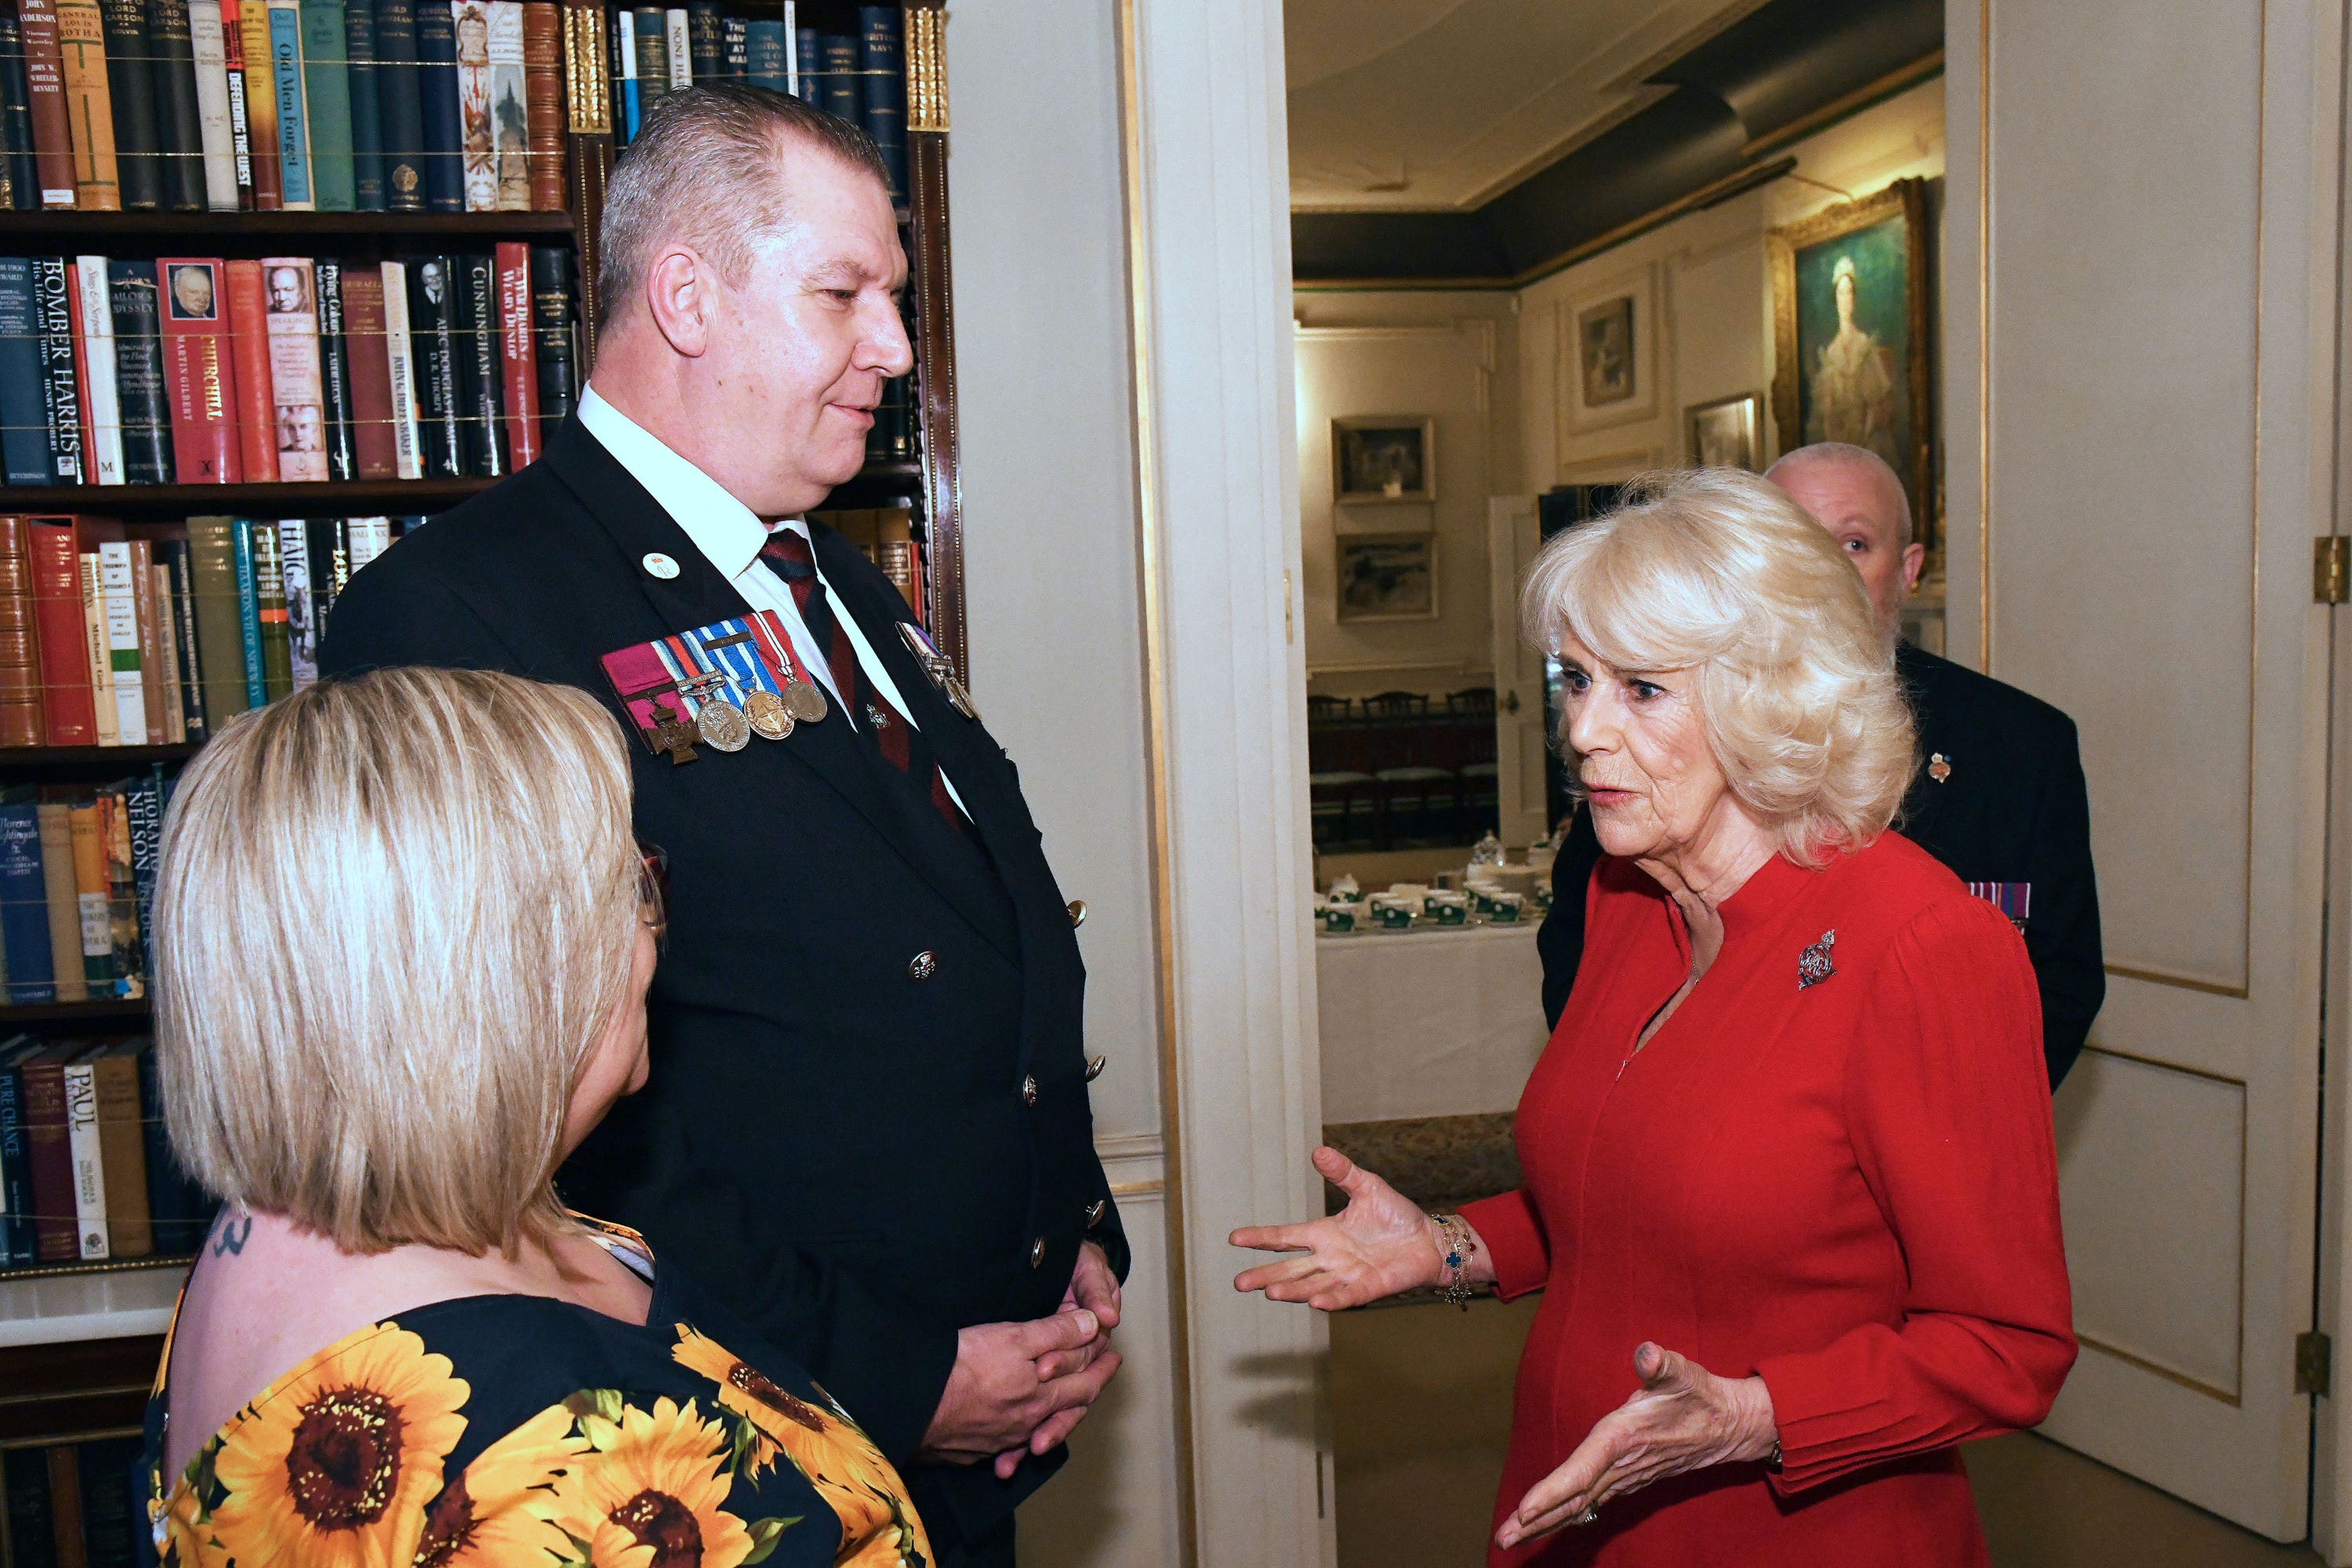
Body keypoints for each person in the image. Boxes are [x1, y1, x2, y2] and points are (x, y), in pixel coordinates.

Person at [318, 84, 1125, 1568]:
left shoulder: (835, 582)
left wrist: (1065, 1232)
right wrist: (896, 1370)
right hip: (732, 1450)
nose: (892, 346)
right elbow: (539, 1114)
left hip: (968, 1421)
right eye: (846, 295)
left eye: (893, 298)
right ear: (685, 296)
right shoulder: (464, 611)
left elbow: (977, 916)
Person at [1235, 470, 2075, 1566]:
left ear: (1768, 695)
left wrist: (1754, 1416)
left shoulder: (1921, 945)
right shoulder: (1629, 897)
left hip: (1791, 1533)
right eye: (1575, 679)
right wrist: (1445, 1248)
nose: (1584, 733)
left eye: (1640, 689)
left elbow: (2010, 1347)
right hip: (1577, 1500)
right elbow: (1633, 1198)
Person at [147, 666, 942, 1568]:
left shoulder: (269, 1233)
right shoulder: (562, 1485)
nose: (652, 932)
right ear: (512, 977)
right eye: (630, 886)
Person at [1538, 441, 2104, 1087]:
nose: (1819, 567)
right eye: (1790, 538)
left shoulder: (2020, 742)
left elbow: (2060, 983)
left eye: (1855, 543)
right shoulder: (1660, 734)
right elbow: (1581, 956)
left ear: (1909, 569)